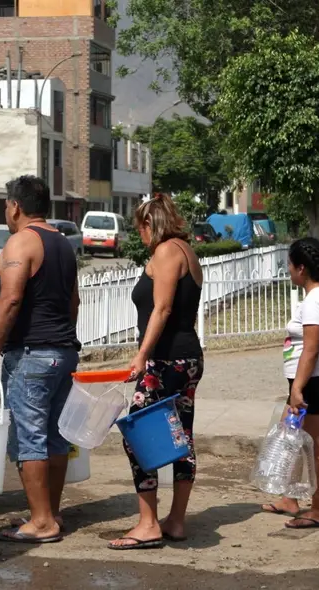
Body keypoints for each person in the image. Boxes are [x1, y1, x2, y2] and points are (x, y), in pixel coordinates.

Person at [0, 175, 80, 544]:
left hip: (32, 355)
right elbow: (74, 302)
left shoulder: (21, 241)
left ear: (16, 206)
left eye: (6, 205)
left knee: (29, 438)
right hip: (62, 353)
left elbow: (10, 299)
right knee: (54, 437)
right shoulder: (63, 244)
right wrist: (63, 341)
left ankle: (41, 522)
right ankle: (49, 513)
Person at [107, 195, 203, 550]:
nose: (140, 235)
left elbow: (161, 310)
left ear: (151, 223)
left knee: (139, 435)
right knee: (181, 436)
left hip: (165, 361)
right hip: (188, 358)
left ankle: (148, 524)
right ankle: (175, 520)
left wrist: (142, 355)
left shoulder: (165, 253)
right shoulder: (188, 252)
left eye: (140, 228)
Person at [261, 237, 319, 529]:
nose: (288, 270)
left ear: (302, 268)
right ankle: (290, 498)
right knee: (291, 437)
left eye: (290, 265)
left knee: (314, 444)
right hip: (312, 380)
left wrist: (297, 388)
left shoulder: (317, 300)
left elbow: (311, 349)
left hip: (312, 382)